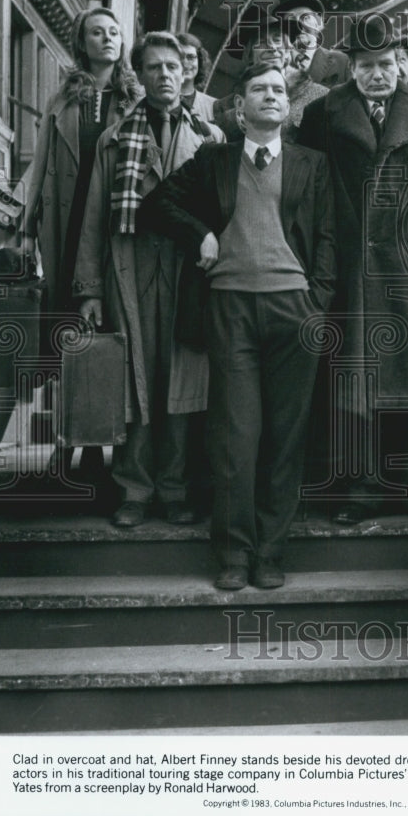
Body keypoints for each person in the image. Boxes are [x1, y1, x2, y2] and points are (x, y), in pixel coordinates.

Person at [138, 62, 336, 590]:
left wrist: (317, 303)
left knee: (284, 439)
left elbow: (330, 237)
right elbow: (156, 204)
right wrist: (199, 231)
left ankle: (270, 553)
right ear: (239, 107)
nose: (270, 96)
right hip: (229, 310)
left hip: (295, 311)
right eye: (258, 90)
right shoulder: (214, 159)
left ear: (287, 106)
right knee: (235, 437)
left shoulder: (311, 164)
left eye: (278, 90)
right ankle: (233, 554)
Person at [297, 13, 408, 524]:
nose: (377, 74)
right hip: (354, 265)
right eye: (366, 66)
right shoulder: (324, 115)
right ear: (351, 68)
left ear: (400, 65)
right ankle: (363, 487)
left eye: (386, 64)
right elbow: (309, 193)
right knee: (360, 375)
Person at [73, 31, 221, 528]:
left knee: (181, 381)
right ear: (139, 74)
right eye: (154, 67)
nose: (165, 75)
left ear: (186, 73)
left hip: (186, 276)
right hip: (129, 271)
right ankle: (134, 490)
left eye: (174, 66)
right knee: (136, 382)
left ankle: (176, 489)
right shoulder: (114, 140)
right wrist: (90, 289)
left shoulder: (210, 137)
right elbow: (95, 218)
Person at [20, 6, 140, 476]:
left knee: (111, 328)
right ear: (82, 43)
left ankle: (99, 443)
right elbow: (42, 165)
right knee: (68, 334)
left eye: (114, 32)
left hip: (116, 228)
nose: (107, 39)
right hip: (66, 228)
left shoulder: (135, 96)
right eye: (97, 32)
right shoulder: (62, 100)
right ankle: (69, 439)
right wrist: (28, 230)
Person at [215, 9, 328, 140]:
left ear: (288, 49)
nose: (272, 48)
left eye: (277, 40)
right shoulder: (225, 107)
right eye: (262, 42)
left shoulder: (320, 97)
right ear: (249, 55)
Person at [274, 0, 351, 88]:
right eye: (291, 19)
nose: (299, 24)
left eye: (305, 17)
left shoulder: (342, 62)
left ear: (319, 23)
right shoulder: (275, 66)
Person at [175, 31, 220, 125]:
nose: (185, 63)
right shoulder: (157, 100)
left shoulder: (213, 106)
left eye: (191, 57)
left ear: (199, 61)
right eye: (179, 57)